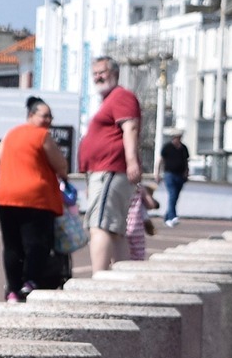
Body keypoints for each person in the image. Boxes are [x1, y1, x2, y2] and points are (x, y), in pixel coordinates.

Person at [0, 97, 69, 301]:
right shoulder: (42, 135)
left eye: (50, 116)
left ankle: (12, 289)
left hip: (6, 195)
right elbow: (61, 166)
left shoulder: (11, 133)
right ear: (31, 116)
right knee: (37, 243)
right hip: (35, 198)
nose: (49, 120)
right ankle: (30, 281)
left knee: (11, 245)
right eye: (45, 115)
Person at [78, 57, 143, 273]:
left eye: (102, 72)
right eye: (95, 73)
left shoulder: (121, 96)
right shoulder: (110, 100)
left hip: (111, 169)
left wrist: (131, 162)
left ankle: (99, 278)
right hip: (104, 172)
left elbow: (130, 128)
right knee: (114, 230)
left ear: (114, 72)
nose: (98, 76)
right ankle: (120, 278)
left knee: (100, 226)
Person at [158, 130, 190, 227]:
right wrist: (157, 173)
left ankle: (167, 217)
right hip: (169, 174)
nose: (178, 139)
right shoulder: (167, 147)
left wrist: (186, 172)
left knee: (175, 196)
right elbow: (160, 160)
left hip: (180, 175)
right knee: (172, 194)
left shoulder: (183, 148)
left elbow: (186, 161)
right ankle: (173, 216)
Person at [126, 181, 160, 260]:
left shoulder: (120, 185)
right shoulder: (139, 188)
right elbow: (151, 204)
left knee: (120, 249)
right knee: (137, 253)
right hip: (135, 227)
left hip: (120, 225)